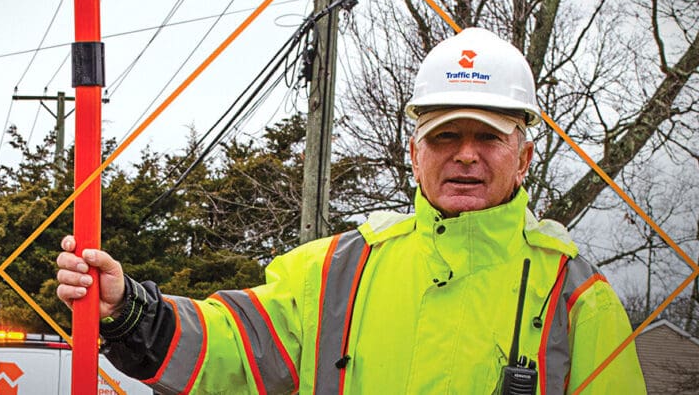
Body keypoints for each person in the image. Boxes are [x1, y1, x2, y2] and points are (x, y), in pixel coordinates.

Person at [57, 27, 646, 394]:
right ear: (415, 155)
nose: (465, 155)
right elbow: (237, 347)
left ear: (523, 157)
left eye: (488, 137)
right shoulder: (340, 270)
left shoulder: (578, 299)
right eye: (445, 136)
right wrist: (131, 311)